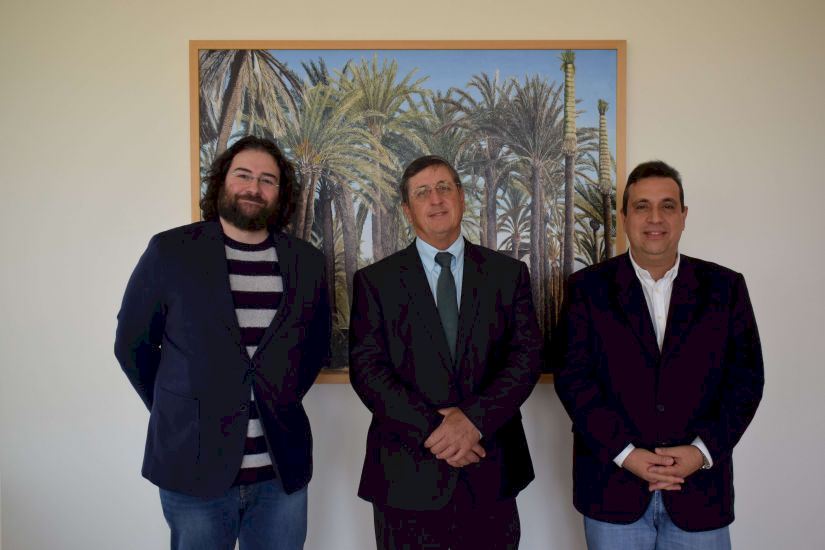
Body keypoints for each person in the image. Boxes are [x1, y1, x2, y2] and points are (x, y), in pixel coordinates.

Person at [114, 135, 331, 550]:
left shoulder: (307, 261)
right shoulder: (171, 251)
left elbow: (314, 348)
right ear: (222, 181)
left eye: (267, 180)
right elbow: (131, 345)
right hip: (192, 470)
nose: (254, 188)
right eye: (243, 175)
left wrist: (277, 394)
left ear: (281, 193)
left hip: (280, 475)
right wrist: (179, 409)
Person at [553, 160, 764, 549]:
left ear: (683, 216)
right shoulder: (587, 289)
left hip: (700, 492)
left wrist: (700, 452)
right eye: (642, 206)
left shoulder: (726, 287)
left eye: (667, 206)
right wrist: (626, 454)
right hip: (612, 489)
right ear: (624, 217)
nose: (655, 218)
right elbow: (573, 381)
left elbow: (746, 382)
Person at [348, 155, 542, 549]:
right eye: (422, 193)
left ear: (462, 198)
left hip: (490, 468)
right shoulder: (375, 282)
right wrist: (436, 431)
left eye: (443, 188)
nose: (435, 199)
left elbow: (525, 359)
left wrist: (473, 422)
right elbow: (368, 371)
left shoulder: (507, 275)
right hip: (406, 477)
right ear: (407, 210)